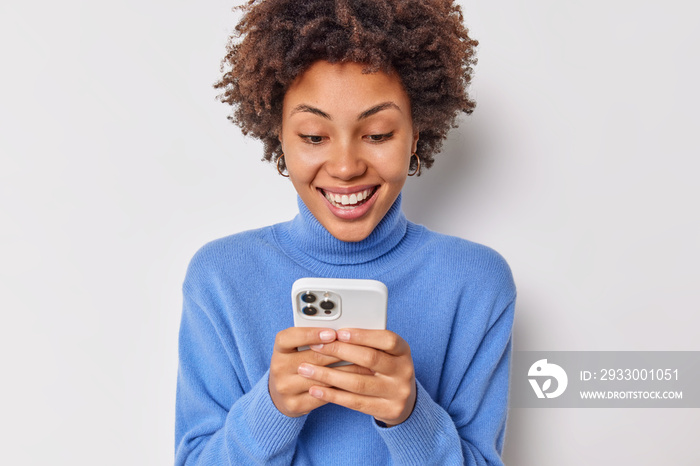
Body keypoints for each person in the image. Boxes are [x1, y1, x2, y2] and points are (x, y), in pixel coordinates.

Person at [175, 0, 516, 464]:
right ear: (280, 139)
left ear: (415, 135)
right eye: (314, 136)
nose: (345, 167)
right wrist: (271, 408)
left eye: (377, 134)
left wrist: (411, 417)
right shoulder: (219, 277)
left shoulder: (476, 282)